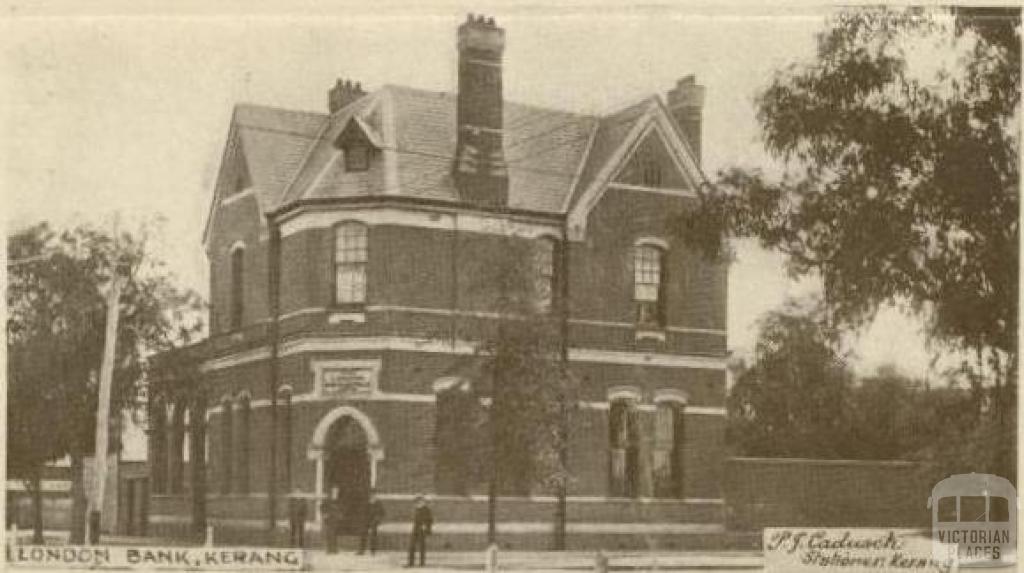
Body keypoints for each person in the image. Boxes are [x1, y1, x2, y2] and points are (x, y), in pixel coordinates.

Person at [406, 494, 433, 567]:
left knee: (422, 547)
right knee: (411, 546)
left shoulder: (427, 510)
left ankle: (422, 563)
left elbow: (430, 520)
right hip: (415, 529)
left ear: (424, 502)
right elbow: (415, 519)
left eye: (421, 501)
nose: (419, 503)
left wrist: (427, 528)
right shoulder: (416, 509)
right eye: (417, 502)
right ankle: (411, 563)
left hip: (422, 530)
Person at [358, 490, 385, 555]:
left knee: (373, 535)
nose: (372, 496)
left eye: (373, 494)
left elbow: (382, 512)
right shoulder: (367, 502)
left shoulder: (378, 503)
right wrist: (364, 518)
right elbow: (363, 511)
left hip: (374, 521)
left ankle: (373, 550)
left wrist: (378, 519)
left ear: (375, 495)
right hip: (367, 520)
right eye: (371, 494)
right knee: (363, 533)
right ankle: (361, 550)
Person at [321, 487, 343, 554]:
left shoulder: (339, 500)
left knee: (335, 534)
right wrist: (324, 514)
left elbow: (342, 508)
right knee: (329, 533)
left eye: (336, 491)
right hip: (329, 519)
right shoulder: (327, 499)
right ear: (331, 492)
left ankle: (335, 549)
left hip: (336, 519)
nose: (335, 493)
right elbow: (322, 506)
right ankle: (329, 549)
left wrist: (340, 514)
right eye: (334, 491)